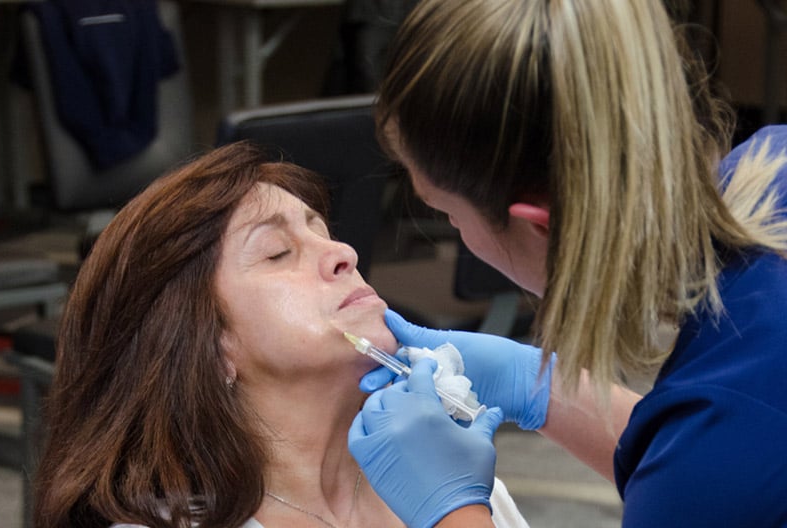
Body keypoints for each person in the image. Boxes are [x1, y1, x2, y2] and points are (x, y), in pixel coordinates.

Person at [347, 1, 787, 527]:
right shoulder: (775, 162)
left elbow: (713, 474)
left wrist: (451, 511)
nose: (342, 255)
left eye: (445, 212)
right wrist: (534, 386)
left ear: (541, 225)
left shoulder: (710, 469)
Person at [31, 141, 529, 528]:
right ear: (206, 347)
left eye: (322, 231)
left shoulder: (450, 483)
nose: (344, 254)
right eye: (277, 252)